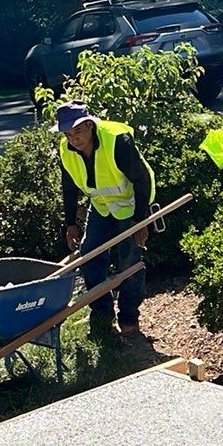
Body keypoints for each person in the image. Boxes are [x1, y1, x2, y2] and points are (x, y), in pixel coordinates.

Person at [55, 103, 154, 336]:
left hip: (131, 204)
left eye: (77, 132)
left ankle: (129, 316)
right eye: (68, 134)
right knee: (90, 256)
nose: (73, 139)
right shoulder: (66, 149)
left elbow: (142, 180)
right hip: (102, 206)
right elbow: (69, 187)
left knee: (129, 262)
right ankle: (102, 315)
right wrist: (70, 224)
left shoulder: (117, 141)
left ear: (89, 124)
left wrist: (140, 220)